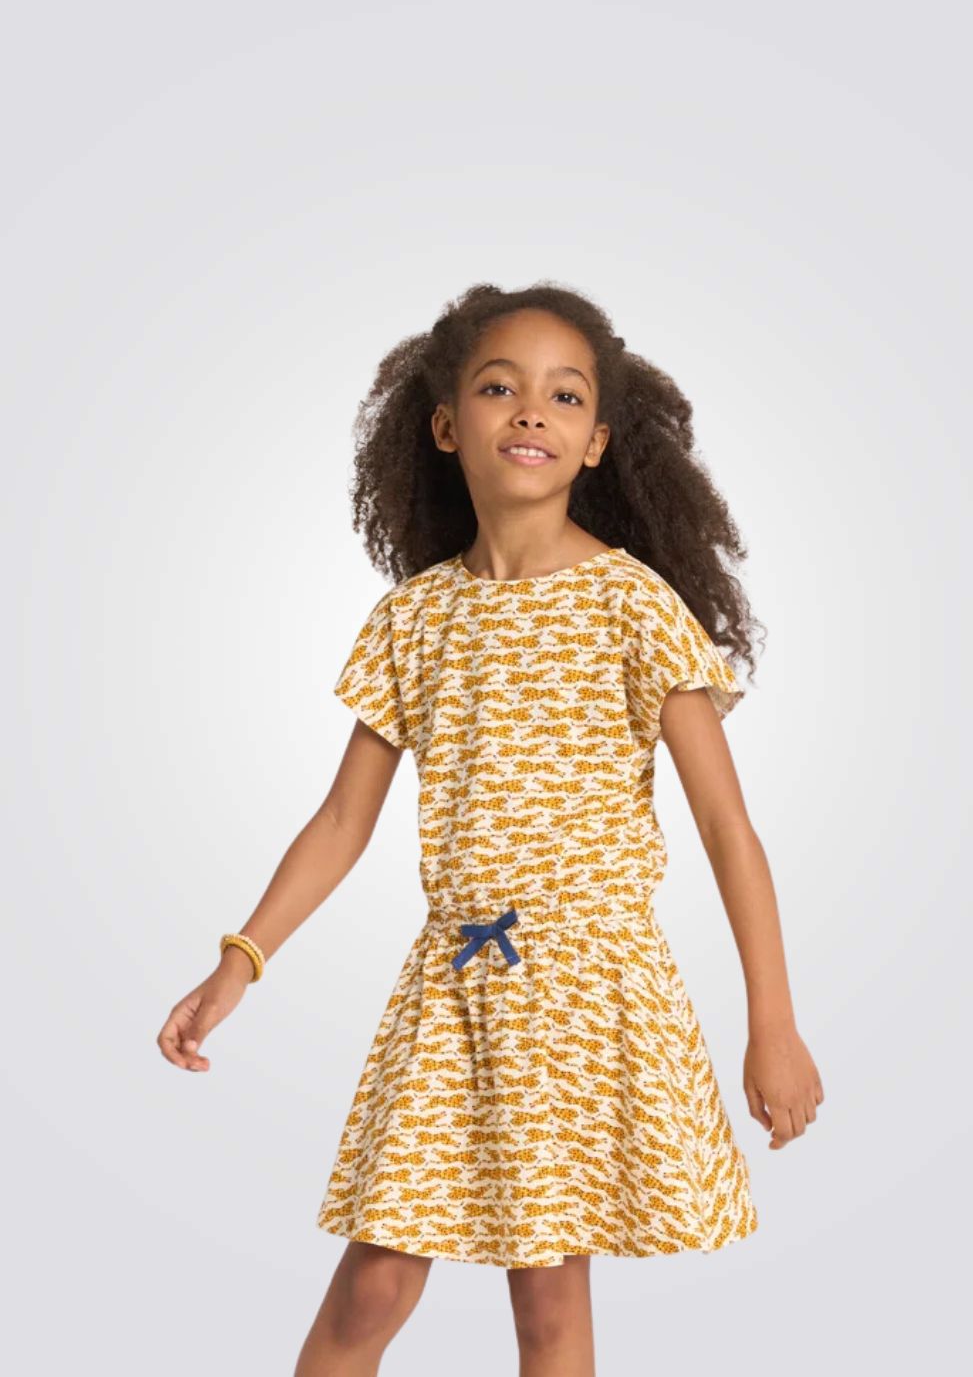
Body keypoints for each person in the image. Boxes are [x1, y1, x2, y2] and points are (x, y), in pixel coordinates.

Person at [157, 281, 824, 1376]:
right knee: (375, 1283)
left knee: (550, 1308)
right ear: (444, 425)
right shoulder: (413, 620)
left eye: (565, 396)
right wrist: (238, 964)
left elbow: (727, 828)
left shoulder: (633, 606)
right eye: (500, 387)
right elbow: (342, 821)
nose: (530, 412)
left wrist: (774, 1025)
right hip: (457, 984)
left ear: (595, 442)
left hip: (586, 993)